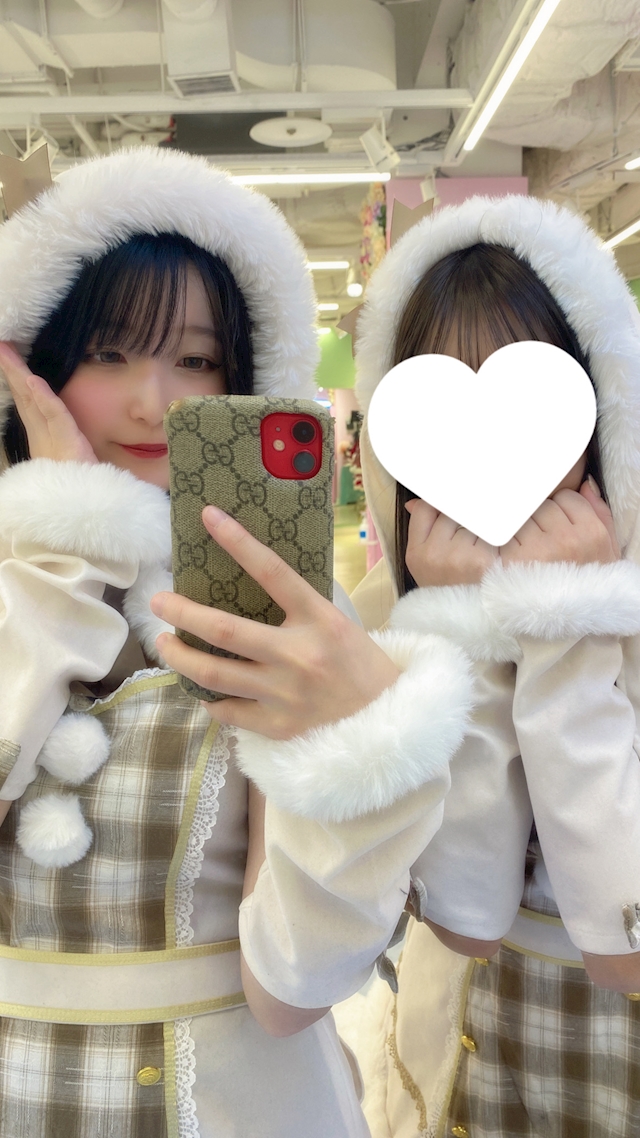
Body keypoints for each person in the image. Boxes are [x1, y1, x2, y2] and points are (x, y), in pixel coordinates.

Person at [0, 146, 473, 1138]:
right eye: (108, 353)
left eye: (197, 360)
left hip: (242, 1100)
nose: (153, 402)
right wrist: (57, 551)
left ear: (245, 377)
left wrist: (356, 760)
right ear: (35, 363)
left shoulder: (281, 607)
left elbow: (291, 988)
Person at [341, 195, 640, 1137]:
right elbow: (463, 918)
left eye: (533, 411)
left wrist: (570, 627)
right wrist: (461, 629)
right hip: (463, 1057)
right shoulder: (382, 620)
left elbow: (626, 946)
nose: (489, 458)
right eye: (444, 415)